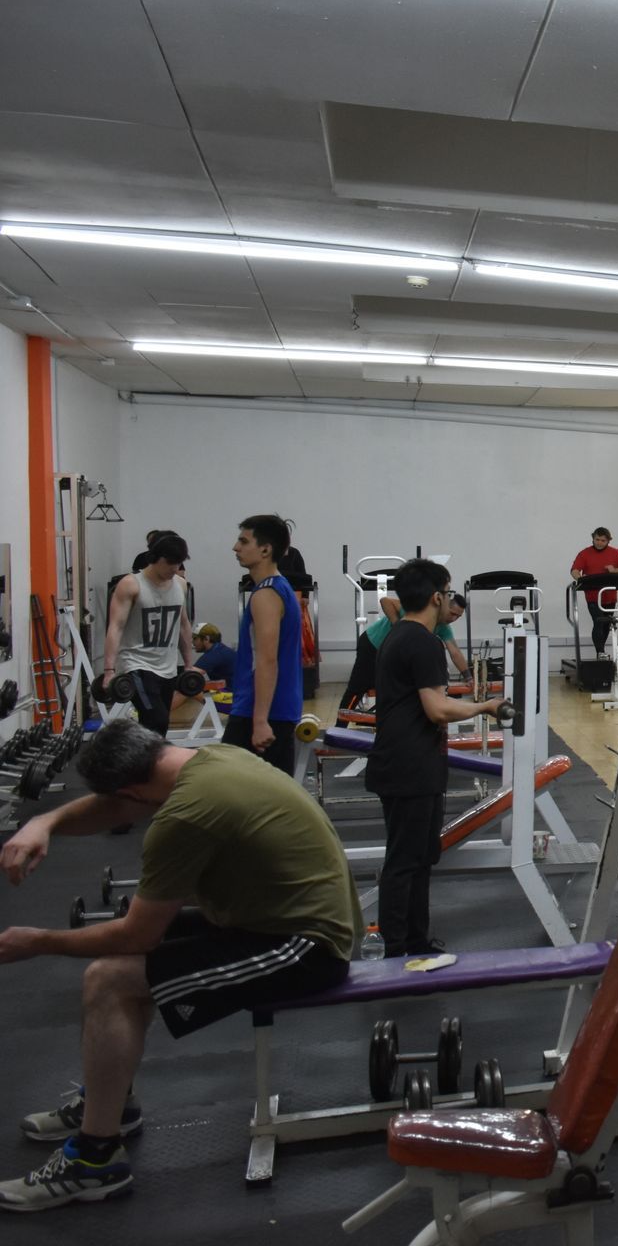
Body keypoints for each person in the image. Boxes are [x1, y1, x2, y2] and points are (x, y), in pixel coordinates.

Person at [0, 721, 357, 1212]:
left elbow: (137, 936)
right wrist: (43, 823)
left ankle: (94, 1160)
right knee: (117, 964)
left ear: (131, 789)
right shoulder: (212, 759)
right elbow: (121, 804)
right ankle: (110, 1105)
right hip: (268, 917)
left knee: (111, 976)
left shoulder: (186, 815)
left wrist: (38, 942)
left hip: (305, 947)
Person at [368, 560, 505, 958]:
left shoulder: (401, 635)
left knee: (419, 856)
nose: (448, 600)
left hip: (410, 760)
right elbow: (436, 709)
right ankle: (397, 949)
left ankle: (415, 941)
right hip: (409, 763)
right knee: (406, 860)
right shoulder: (421, 642)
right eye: (446, 592)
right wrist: (486, 707)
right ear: (436, 597)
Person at [224, 514, 305, 774]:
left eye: (243, 541)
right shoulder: (280, 588)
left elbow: (267, 660)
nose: (236, 547)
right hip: (271, 710)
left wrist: (260, 721)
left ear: (265, 549)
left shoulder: (266, 595)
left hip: (260, 713)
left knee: (236, 797)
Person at [100, 532, 194, 735]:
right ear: (155, 557)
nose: (174, 569)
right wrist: (109, 671)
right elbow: (115, 627)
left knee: (159, 725)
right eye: (169, 563)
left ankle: (140, 762)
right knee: (156, 719)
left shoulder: (180, 585)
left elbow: (183, 625)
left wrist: (188, 664)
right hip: (136, 664)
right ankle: (153, 764)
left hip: (167, 667)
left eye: (178, 563)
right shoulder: (131, 585)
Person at [337, 591, 469, 721]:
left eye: (458, 616)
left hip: (392, 653)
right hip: (372, 644)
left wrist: (468, 677)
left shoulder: (443, 628)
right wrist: (398, 626)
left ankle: (393, 724)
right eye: (452, 613)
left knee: (400, 687)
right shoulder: (419, 611)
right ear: (444, 606)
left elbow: (455, 652)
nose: (453, 619)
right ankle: (340, 727)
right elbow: (385, 601)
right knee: (358, 687)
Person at [570, 528, 618, 656]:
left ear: (608, 541)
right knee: (598, 621)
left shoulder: (616, 553)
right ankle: (600, 652)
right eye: (597, 539)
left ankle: (601, 652)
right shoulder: (584, 553)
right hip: (593, 596)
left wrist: (614, 570)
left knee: (606, 625)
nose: (599, 542)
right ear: (593, 538)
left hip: (610, 596)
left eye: (603, 540)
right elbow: (575, 570)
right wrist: (580, 579)